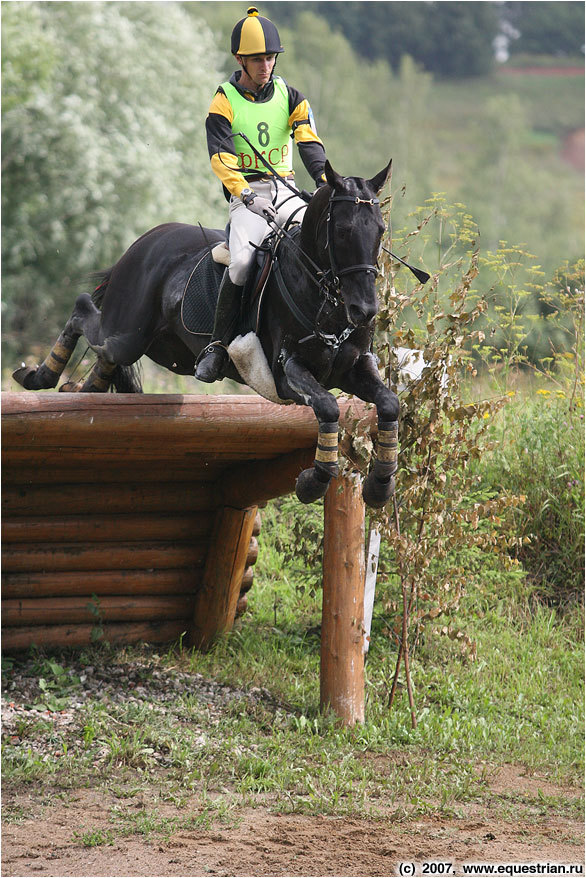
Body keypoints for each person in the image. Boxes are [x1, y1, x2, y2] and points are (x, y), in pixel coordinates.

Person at [195, 5, 328, 383]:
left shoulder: (292, 96)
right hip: (248, 194)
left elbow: (309, 142)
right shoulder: (223, 100)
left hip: (286, 189)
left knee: (321, 245)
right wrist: (245, 195)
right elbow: (220, 157)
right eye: (257, 60)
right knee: (240, 263)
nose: (265, 66)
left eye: (270, 58)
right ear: (240, 59)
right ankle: (219, 348)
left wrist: (322, 181)